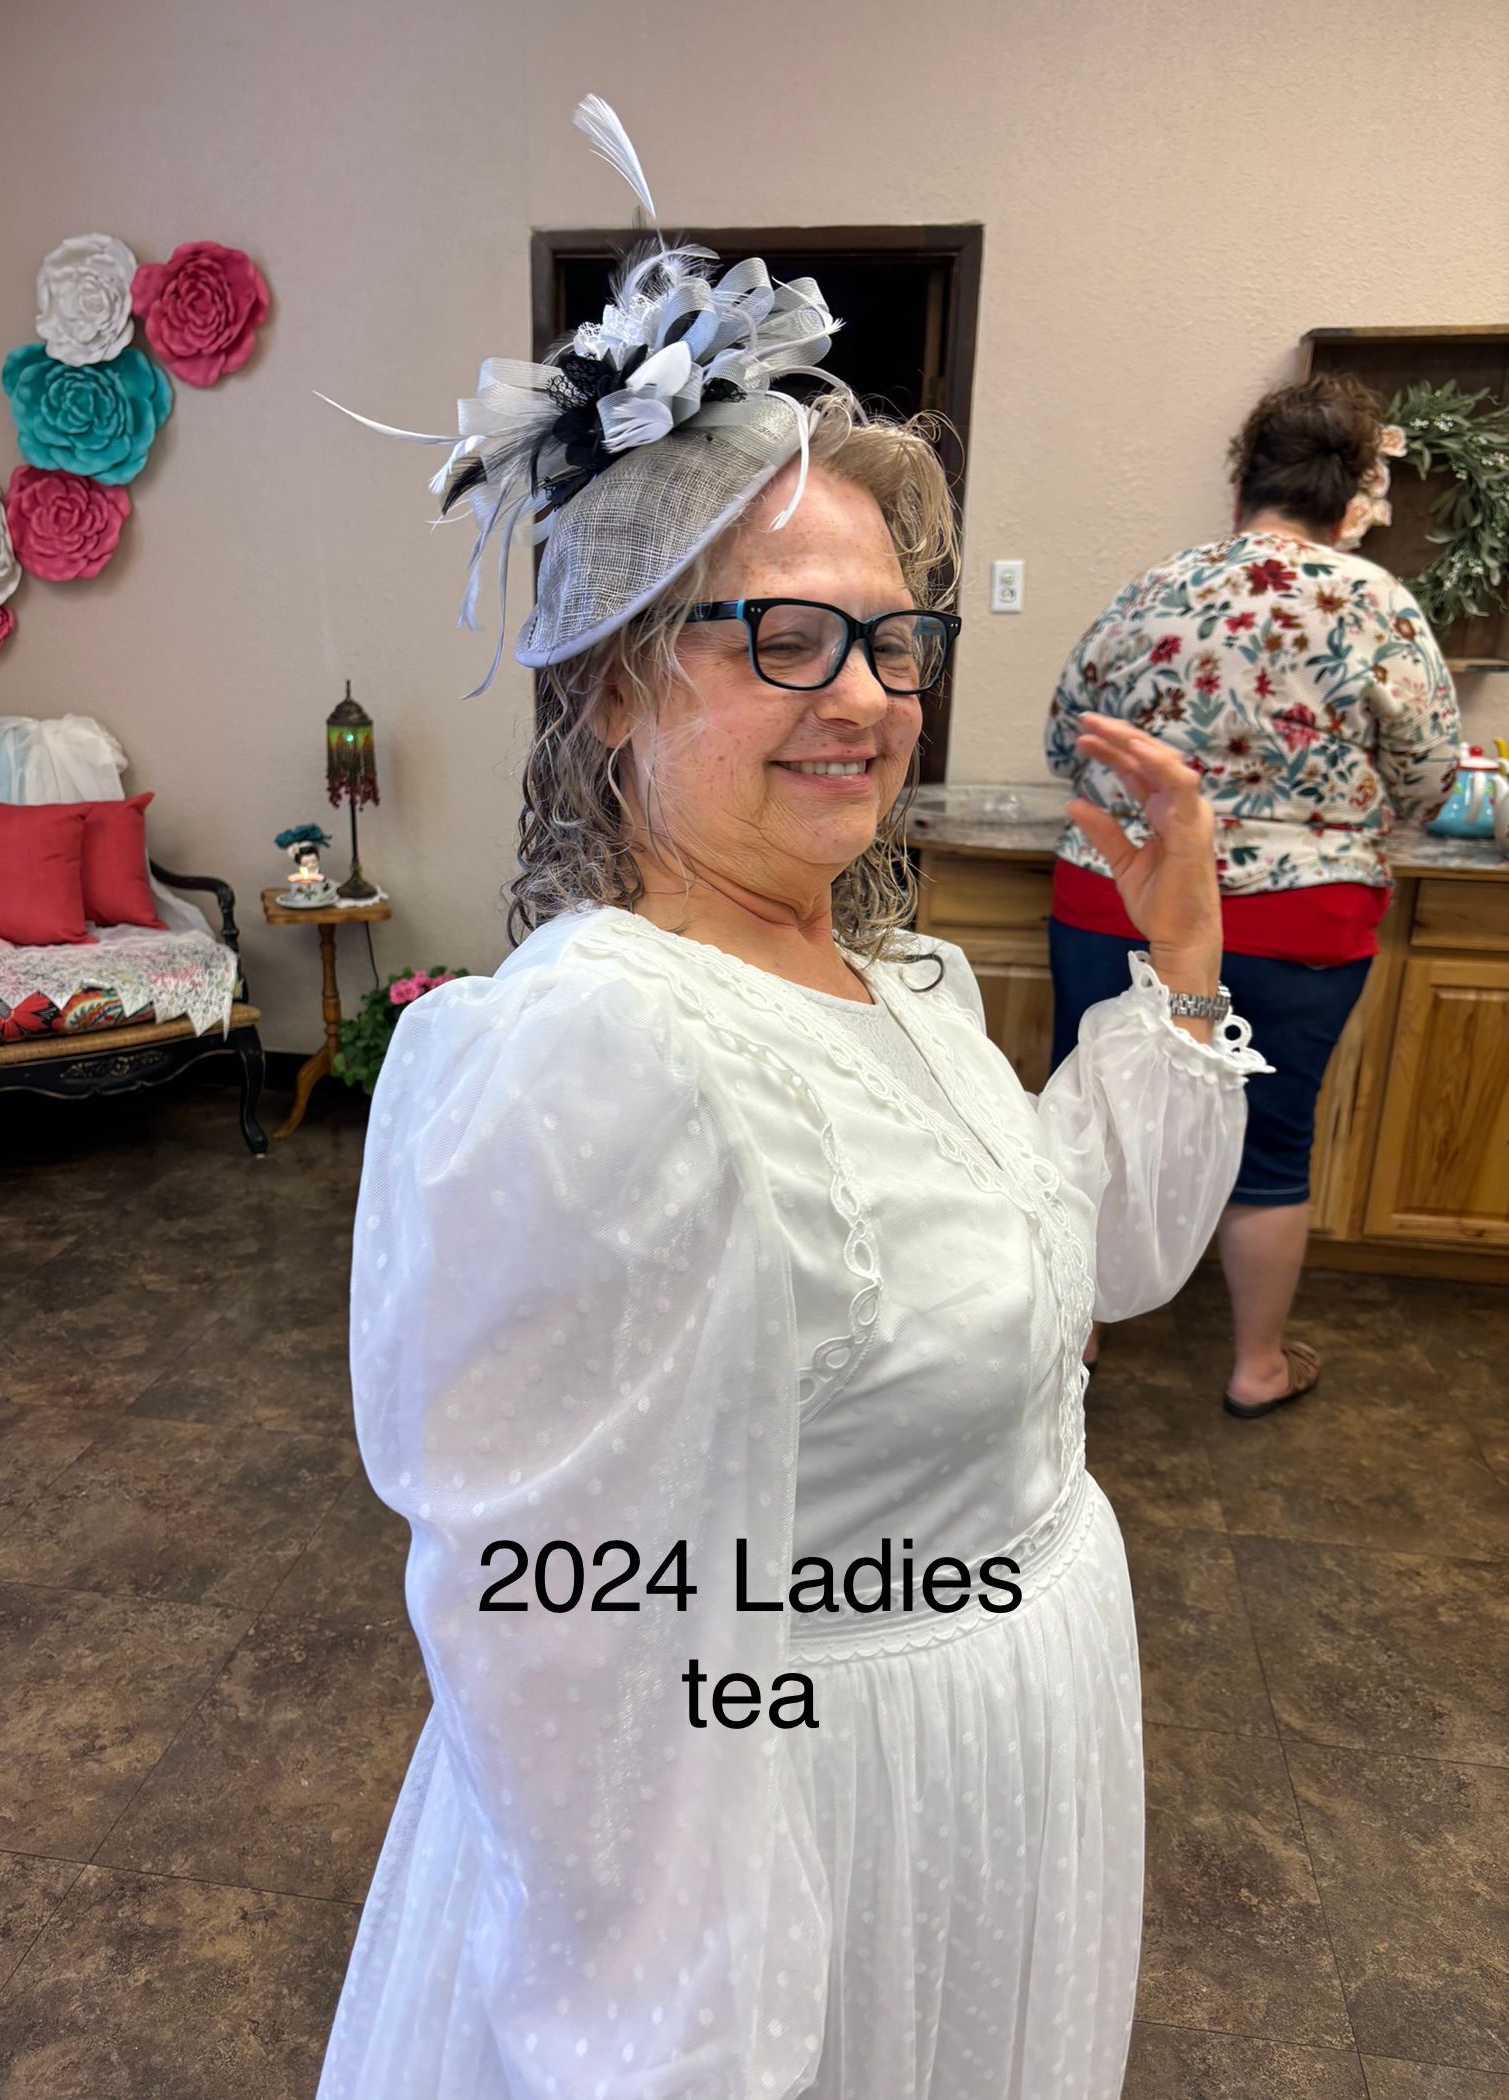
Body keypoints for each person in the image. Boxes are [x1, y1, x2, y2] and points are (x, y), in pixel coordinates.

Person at [316, 99, 1272, 2100]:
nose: (860, 695)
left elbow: (1083, 1269)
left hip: (989, 1802)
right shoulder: (589, 1063)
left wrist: (1174, 952)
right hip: (799, 1862)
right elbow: (567, 1647)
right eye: (777, 634)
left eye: (888, 638)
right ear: (609, 683)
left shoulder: (895, 983)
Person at [1045, 373, 1460, 1417]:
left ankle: (1073, 1339)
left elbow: (1066, 738)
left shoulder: (1155, 588)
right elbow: (1425, 778)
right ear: (1353, 495)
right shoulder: (1377, 604)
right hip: (1298, 916)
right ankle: (1256, 1367)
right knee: (1267, 1144)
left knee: (1094, 1124)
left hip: (1118, 899)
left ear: (1244, 480)